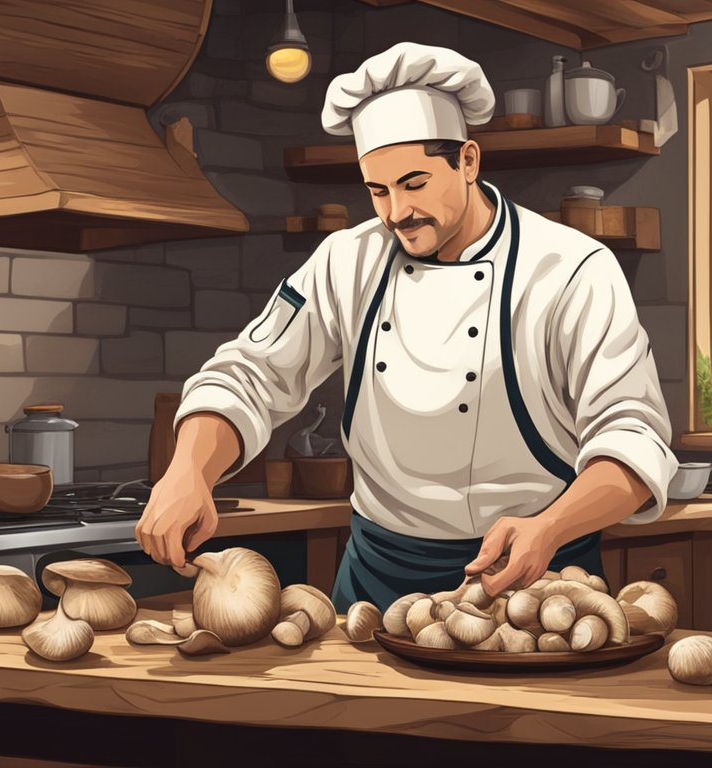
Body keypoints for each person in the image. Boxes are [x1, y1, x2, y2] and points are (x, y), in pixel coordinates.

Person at [136, 42, 679, 611]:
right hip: (378, 577)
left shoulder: (569, 268)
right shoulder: (346, 261)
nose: (396, 212)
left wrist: (550, 526)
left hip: (535, 580)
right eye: (377, 190)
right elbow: (249, 374)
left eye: (414, 183)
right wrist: (188, 472)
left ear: (468, 161)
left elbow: (633, 436)